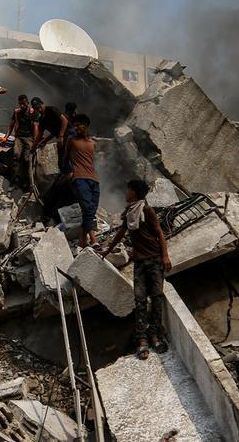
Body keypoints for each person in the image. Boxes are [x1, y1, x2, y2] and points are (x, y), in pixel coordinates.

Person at [101, 179, 172, 359]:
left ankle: (155, 335)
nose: (126, 193)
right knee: (140, 300)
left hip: (154, 260)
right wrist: (108, 250)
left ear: (135, 192)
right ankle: (142, 340)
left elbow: (159, 234)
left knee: (156, 297)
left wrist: (165, 256)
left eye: (129, 190)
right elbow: (121, 233)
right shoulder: (129, 214)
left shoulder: (147, 211)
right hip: (140, 262)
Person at [65, 114, 100, 248]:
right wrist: (69, 171)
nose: (75, 128)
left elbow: (92, 161)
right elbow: (64, 159)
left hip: (94, 179)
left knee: (91, 210)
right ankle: (93, 239)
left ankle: (81, 238)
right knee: (87, 208)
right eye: (74, 125)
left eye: (78, 125)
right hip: (79, 178)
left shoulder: (93, 142)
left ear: (85, 125)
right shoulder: (71, 140)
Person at [4, 94, 41, 188]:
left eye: (24, 103)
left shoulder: (33, 112)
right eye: (20, 104)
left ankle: (27, 181)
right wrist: (6, 137)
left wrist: (35, 141)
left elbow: (36, 127)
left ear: (27, 102)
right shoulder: (17, 112)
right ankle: (15, 178)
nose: (22, 106)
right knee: (16, 155)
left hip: (29, 137)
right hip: (19, 137)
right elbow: (12, 124)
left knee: (27, 159)